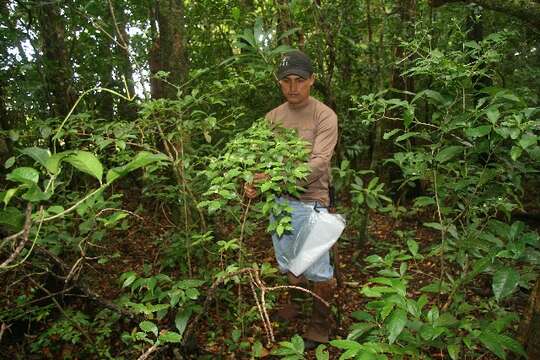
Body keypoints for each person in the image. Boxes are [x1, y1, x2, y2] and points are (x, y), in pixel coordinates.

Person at [244, 50, 339, 348]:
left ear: (312, 80)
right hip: (279, 203)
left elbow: (319, 162)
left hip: (313, 201)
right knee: (288, 263)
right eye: (287, 81)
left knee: (318, 269)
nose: (293, 87)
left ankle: (320, 325)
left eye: (300, 80)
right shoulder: (272, 118)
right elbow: (258, 160)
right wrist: (252, 183)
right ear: (279, 82)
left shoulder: (324, 115)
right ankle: (295, 305)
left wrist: (275, 179)